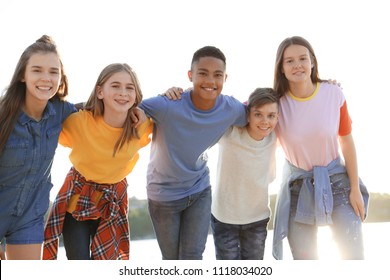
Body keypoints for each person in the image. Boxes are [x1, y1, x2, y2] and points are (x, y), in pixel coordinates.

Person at [139, 46, 247, 260]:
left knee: (193, 257)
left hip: (199, 190)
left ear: (225, 78)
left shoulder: (231, 109)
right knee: (171, 260)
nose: (210, 81)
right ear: (190, 75)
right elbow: (128, 107)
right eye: (203, 73)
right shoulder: (168, 104)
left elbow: (261, 112)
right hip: (163, 194)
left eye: (217, 75)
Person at [272, 36, 369, 260]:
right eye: (289, 61)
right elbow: (245, 114)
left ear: (312, 62)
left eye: (303, 58)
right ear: (282, 68)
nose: (297, 65)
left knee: (353, 257)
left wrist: (355, 188)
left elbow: (346, 142)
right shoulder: (275, 104)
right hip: (299, 189)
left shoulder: (333, 93)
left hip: (339, 185)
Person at [43, 63, 153, 260]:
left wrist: (181, 90)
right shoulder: (79, 122)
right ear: (100, 91)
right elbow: (45, 114)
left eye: (130, 88)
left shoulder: (141, 126)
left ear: (136, 95)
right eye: (115, 86)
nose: (123, 92)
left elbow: (175, 109)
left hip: (113, 204)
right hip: (77, 205)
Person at [0, 35, 77, 260]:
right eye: (37, 70)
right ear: (23, 75)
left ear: (61, 77)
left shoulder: (62, 113)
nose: (46, 78)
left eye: (53, 72)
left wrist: (146, 108)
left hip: (29, 218)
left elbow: (103, 112)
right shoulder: (4, 117)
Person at [211, 87, 279, 260]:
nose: (265, 121)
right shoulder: (229, 133)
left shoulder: (274, 138)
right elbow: (211, 109)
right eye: (258, 114)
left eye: (271, 116)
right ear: (247, 114)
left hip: (257, 219)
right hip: (225, 219)